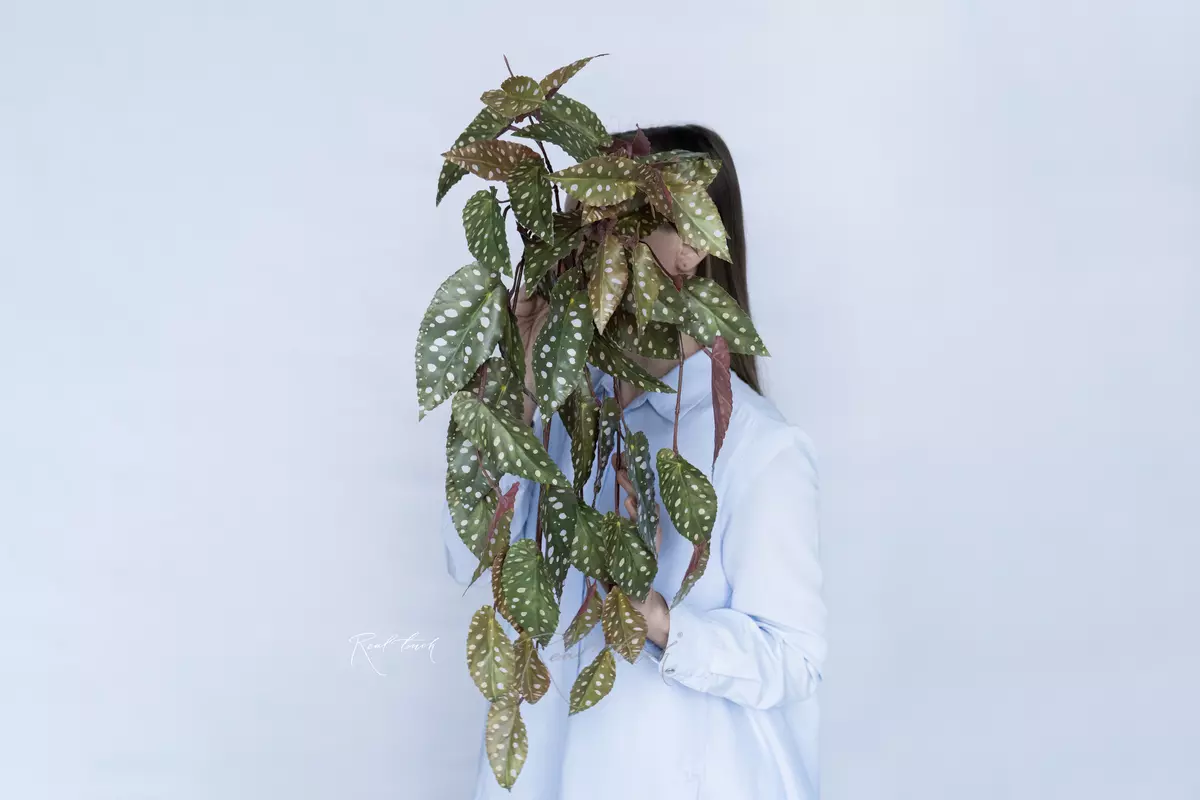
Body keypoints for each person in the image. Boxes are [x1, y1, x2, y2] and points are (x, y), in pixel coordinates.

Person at [440, 124, 827, 799]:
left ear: (696, 244)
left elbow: (792, 658)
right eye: (590, 217)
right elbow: (467, 552)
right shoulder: (561, 417)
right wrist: (523, 385)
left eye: (628, 219)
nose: (599, 242)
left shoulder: (760, 450)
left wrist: (658, 622)